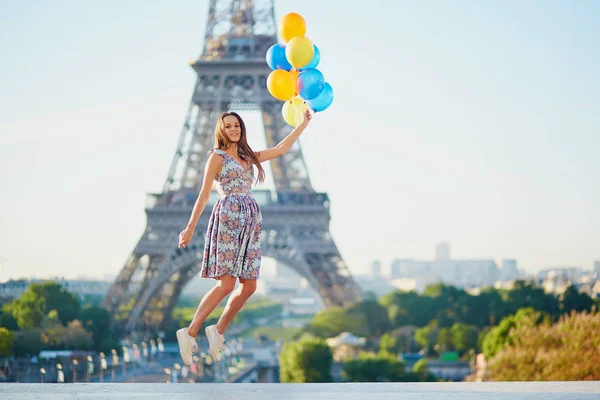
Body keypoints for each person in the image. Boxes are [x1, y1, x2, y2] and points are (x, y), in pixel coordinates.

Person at [175, 108, 313, 365]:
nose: (233, 129)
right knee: (227, 284)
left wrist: (302, 124)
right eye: (228, 126)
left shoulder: (248, 157)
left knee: (249, 285)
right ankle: (190, 332)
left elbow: (281, 148)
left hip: (250, 219)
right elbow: (204, 194)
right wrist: (190, 226)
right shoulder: (215, 157)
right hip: (228, 218)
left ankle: (217, 331)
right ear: (221, 130)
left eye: (236, 124)